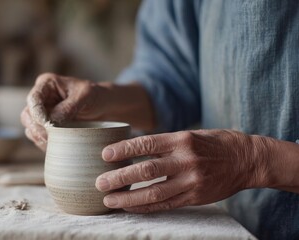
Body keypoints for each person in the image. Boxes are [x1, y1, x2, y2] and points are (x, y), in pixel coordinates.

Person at [21, 0, 299, 239]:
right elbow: (171, 76)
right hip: (228, 219)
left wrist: (255, 160)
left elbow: (252, 160)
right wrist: (101, 97)